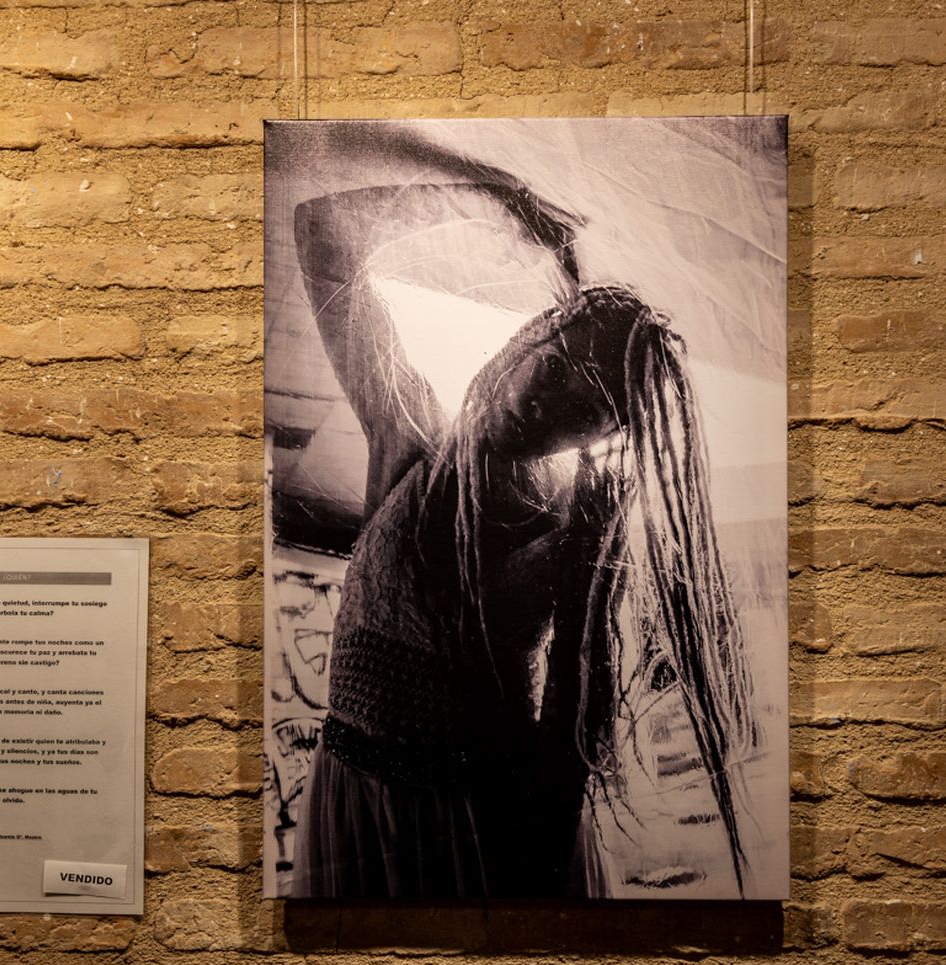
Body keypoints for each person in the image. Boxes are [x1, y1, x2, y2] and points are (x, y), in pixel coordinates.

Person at [285, 136, 756, 898]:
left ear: (602, 437)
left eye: (588, 408)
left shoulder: (576, 532)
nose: (552, 401)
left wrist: (529, 865)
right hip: (352, 796)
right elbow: (323, 237)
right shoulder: (414, 449)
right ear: (529, 336)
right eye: (559, 364)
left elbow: (574, 713)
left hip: (468, 829)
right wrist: (492, 206)